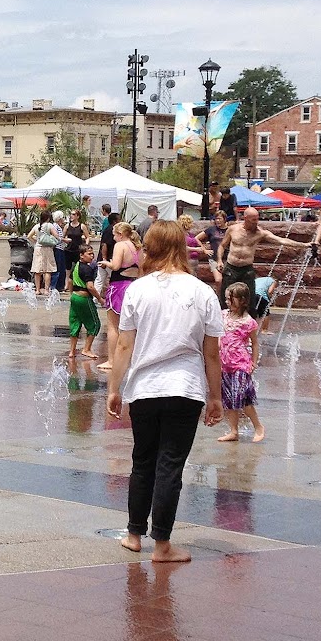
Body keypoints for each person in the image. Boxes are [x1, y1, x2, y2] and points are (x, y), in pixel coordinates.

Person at [106, 221, 223, 563]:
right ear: (182, 247)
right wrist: (215, 396)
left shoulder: (137, 290)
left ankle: (133, 535)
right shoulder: (202, 292)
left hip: (144, 388)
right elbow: (212, 354)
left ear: (151, 248)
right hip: (185, 389)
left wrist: (114, 388)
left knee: (142, 461)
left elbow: (124, 345)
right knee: (170, 465)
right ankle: (162, 545)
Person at [218, 207, 310, 331]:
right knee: (227, 297)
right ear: (245, 218)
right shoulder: (233, 229)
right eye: (253, 220)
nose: (256, 222)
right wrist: (219, 260)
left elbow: (281, 240)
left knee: (250, 300)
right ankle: (223, 328)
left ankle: (248, 331)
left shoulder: (260, 233)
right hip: (231, 268)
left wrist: (304, 245)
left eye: (257, 219)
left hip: (246, 269)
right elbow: (222, 245)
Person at [217, 282, 265, 443]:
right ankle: (233, 431)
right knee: (229, 398)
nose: (227, 301)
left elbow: (255, 343)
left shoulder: (248, 322)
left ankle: (258, 426)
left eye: (231, 299)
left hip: (241, 364)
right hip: (225, 363)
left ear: (242, 300)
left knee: (242, 396)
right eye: (226, 298)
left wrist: (254, 362)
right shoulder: (223, 315)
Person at [94, 222, 143, 375]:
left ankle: (112, 360)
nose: (113, 238)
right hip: (133, 285)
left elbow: (115, 266)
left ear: (120, 234)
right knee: (132, 325)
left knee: (113, 326)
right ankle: (132, 359)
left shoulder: (120, 245)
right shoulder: (137, 247)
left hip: (118, 287)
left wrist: (105, 262)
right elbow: (141, 269)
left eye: (114, 235)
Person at [65, 249, 102, 362]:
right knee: (95, 324)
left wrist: (72, 294)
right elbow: (90, 287)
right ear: (81, 255)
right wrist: (100, 299)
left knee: (75, 323)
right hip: (84, 299)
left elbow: (70, 281)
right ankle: (87, 349)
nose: (92, 256)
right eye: (89, 254)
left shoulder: (76, 265)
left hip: (75, 297)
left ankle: (72, 351)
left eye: (92, 254)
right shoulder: (87, 269)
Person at [30, 212, 60, 295]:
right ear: (48, 218)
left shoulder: (36, 226)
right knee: (48, 270)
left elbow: (29, 236)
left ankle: (37, 290)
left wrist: (36, 241)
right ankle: (46, 290)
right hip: (47, 248)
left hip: (38, 249)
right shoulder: (49, 225)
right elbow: (56, 236)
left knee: (37, 270)